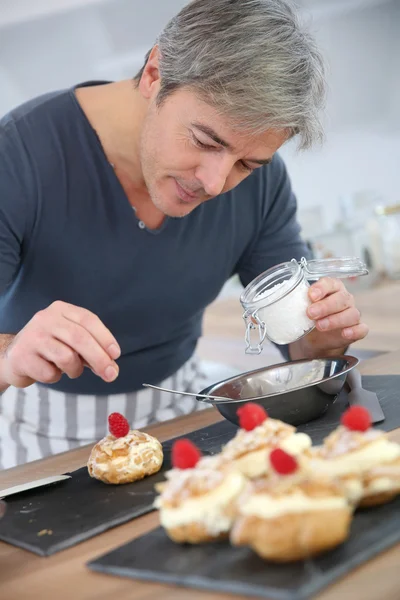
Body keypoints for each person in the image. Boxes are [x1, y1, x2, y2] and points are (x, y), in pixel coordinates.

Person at [0, 0, 368, 470]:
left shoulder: (262, 184)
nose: (214, 183)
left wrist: (322, 338)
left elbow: (299, 346)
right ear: (155, 73)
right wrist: (12, 354)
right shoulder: (17, 159)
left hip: (182, 413)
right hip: (41, 435)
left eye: (245, 164)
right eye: (204, 141)